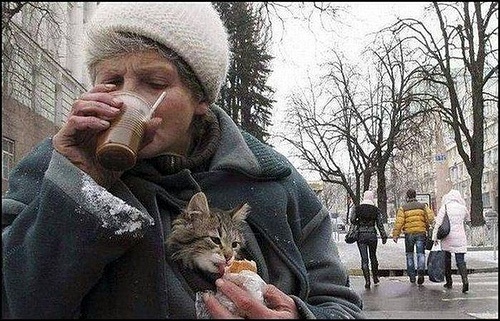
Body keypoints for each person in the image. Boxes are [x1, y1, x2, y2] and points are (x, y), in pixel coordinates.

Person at [1, 2, 364, 319]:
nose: (127, 99)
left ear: (201, 100)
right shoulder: (53, 167)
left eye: (154, 82)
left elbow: (340, 305)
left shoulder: (272, 182)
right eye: (111, 79)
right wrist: (78, 188)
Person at [392, 188, 434, 285]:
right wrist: (428, 224)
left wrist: (395, 235)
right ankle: (421, 271)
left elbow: (399, 222)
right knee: (421, 254)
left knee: (409, 255)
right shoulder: (422, 206)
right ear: (415, 196)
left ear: (407, 196)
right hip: (421, 232)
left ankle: (412, 276)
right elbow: (430, 217)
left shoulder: (403, 208)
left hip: (409, 234)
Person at [432, 189, 470, 293]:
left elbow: (438, 223)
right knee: (460, 261)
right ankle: (465, 280)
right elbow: (467, 218)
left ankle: (449, 281)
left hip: (447, 237)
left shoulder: (445, 207)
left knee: (447, 260)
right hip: (460, 237)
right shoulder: (463, 208)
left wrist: (434, 237)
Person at [350, 190, 388, 289]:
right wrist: (383, 236)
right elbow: (379, 224)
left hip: (361, 236)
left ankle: (367, 281)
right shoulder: (376, 210)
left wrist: (359, 221)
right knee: (373, 256)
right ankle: (375, 277)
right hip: (372, 235)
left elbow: (352, 220)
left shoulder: (357, 208)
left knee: (364, 259)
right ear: (371, 198)